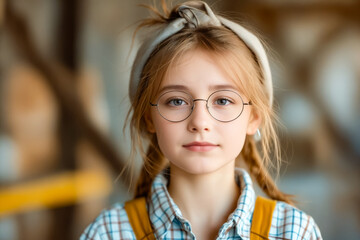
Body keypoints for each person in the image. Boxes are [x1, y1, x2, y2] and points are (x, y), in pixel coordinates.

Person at [80, 1, 322, 239]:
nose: (200, 122)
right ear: (149, 118)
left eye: (223, 101)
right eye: (176, 101)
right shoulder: (107, 233)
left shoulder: (294, 232)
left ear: (254, 117)